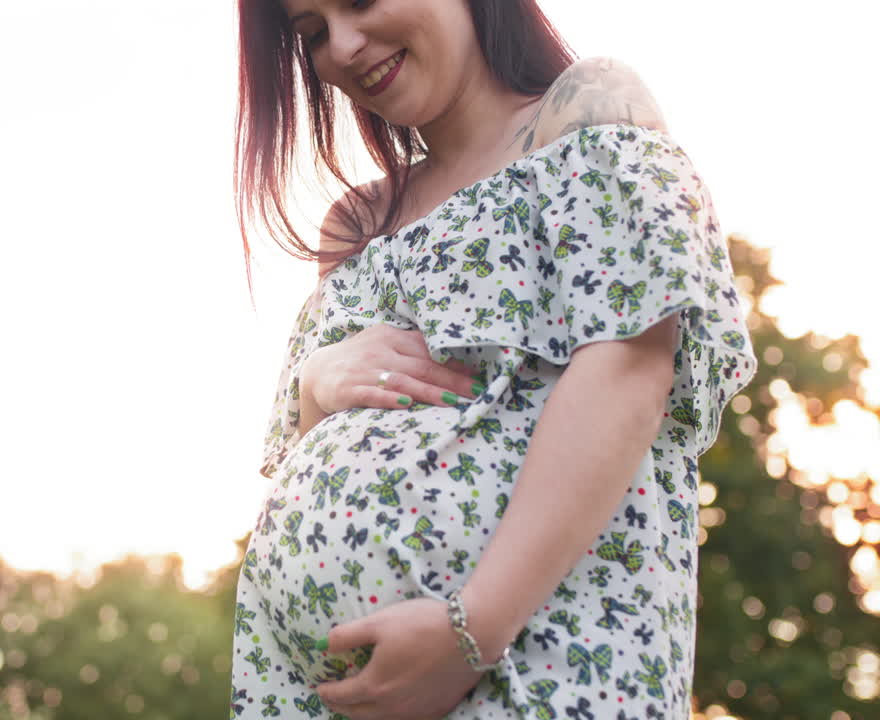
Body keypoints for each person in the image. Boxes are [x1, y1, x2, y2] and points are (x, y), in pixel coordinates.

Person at [229, 1, 758, 719]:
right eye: (313, 33)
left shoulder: (581, 113)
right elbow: (313, 458)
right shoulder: (357, 223)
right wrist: (319, 382)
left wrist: (471, 629)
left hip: (546, 663)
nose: (345, 47)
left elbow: (628, 371)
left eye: (358, 1)